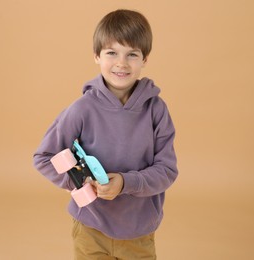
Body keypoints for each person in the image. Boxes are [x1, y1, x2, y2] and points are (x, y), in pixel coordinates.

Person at [33, 9, 178, 259]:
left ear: (145, 59)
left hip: (139, 233)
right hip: (90, 230)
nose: (121, 63)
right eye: (112, 52)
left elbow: (167, 171)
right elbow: (44, 157)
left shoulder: (156, 110)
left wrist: (125, 183)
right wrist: (79, 183)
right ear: (97, 56)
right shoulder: (82, 109)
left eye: (132, 54)